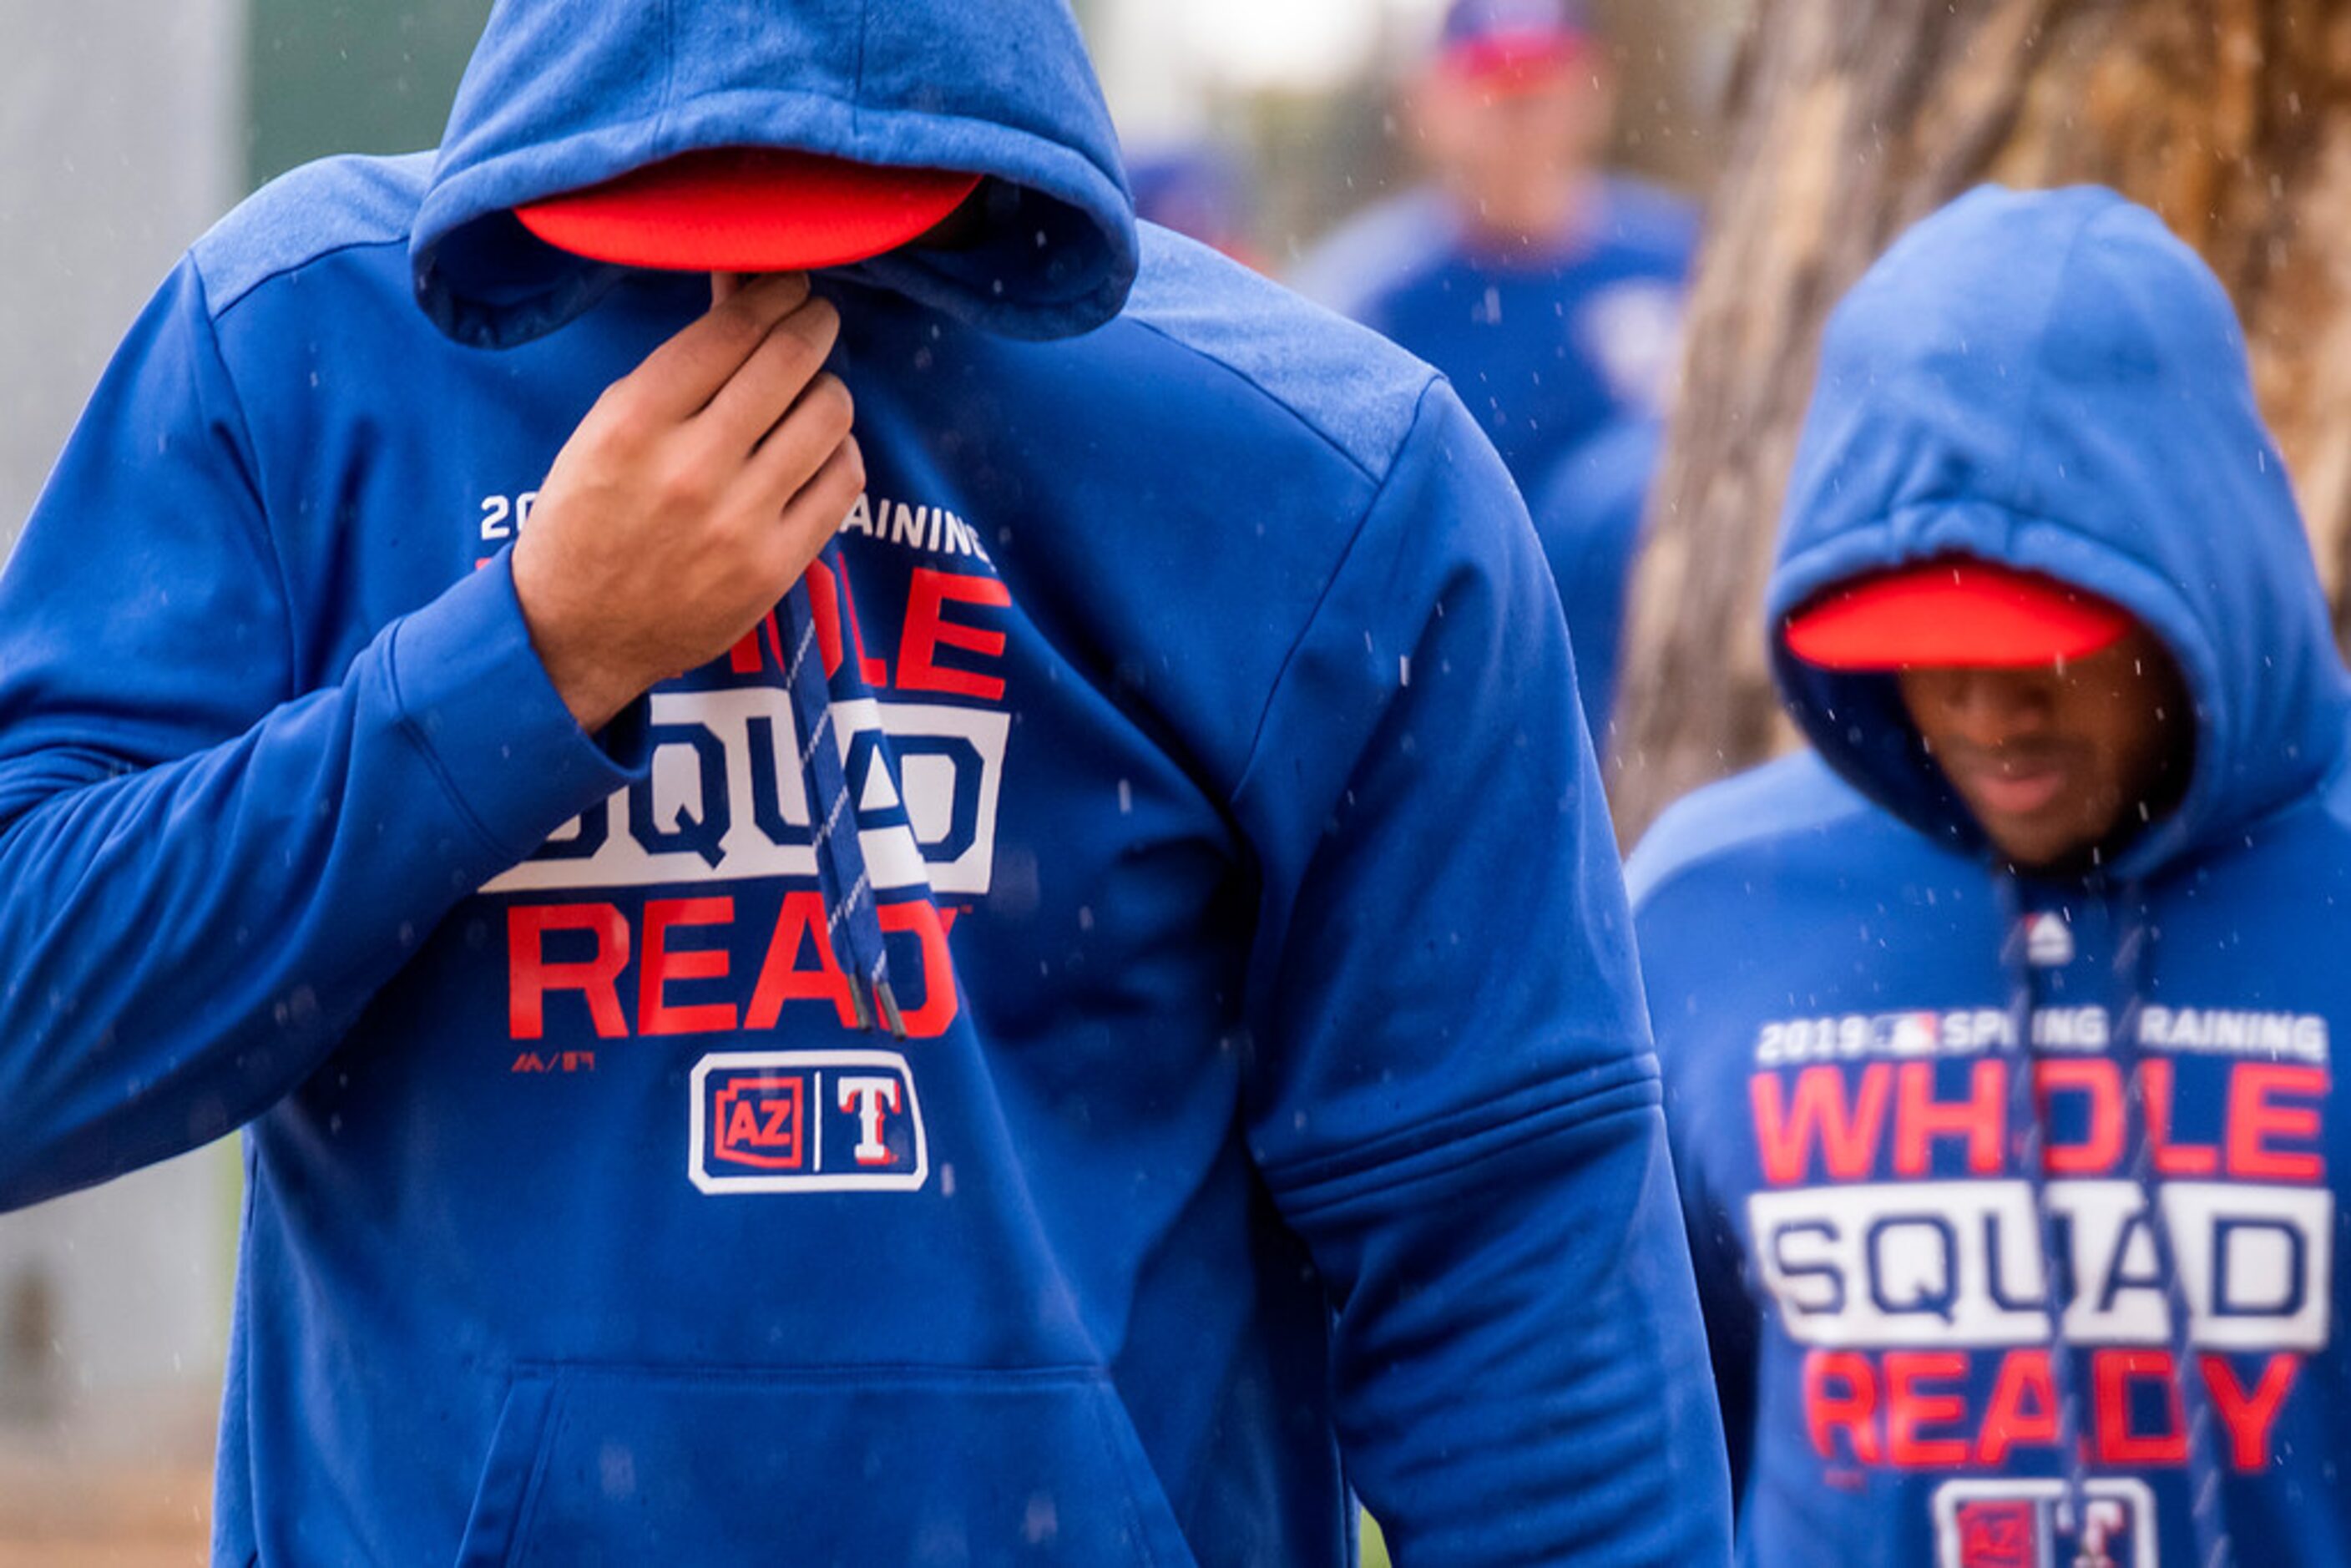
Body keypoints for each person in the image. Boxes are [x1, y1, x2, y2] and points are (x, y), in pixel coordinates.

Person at [0, 1, 1732, 1563]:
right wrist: (528, 660)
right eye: (681, 204)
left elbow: (1513, 1262)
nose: (758, 280)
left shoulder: (1326, 477)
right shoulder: (301, 350)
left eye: (842, 217)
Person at [1628, 182, 2351, 1565]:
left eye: (2047, 645)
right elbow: (1627, 1454)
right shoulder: (1703, 913)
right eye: (1921, 641)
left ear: (2196, 583)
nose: (1984, 711)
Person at [1291, 0, 1697, 497]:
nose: (1521, 122)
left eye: (1542, 89)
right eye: (1496, 91)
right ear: (1432, 103)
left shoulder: (1683, 260)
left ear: (1596, 91)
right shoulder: (1371, 301)